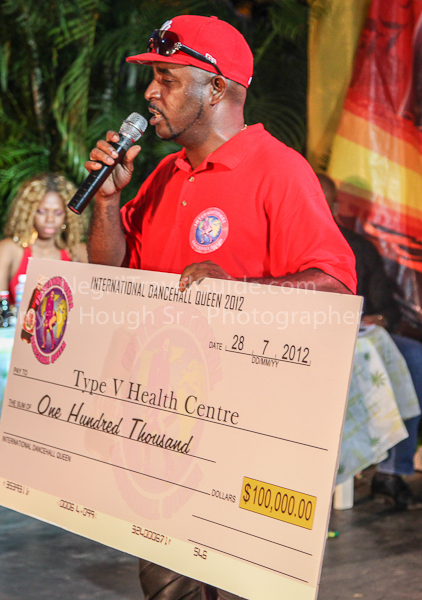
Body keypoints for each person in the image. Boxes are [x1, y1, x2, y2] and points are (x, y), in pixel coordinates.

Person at [85, 15, 357, 600]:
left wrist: (240, 293)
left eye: (167, 79)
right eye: (153, 78)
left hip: (248, 447)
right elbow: (111, 278)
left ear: (215, 88)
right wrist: (107, 202)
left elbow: (336, 288)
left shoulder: (279, 170)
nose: (150, 93)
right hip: (164, 439)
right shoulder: (164, 174)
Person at [317, 173, 422, 511]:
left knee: (414, 355)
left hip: (362, 339)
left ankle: (391, 472)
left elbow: (388, 310)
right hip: (310, 338)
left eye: (326, 203)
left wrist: (374, 319)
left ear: (336, 207)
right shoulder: (283, 244)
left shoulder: (359, 248)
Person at [0, 173, 88, 304]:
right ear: (28, 212)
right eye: (41, 211)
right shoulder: (9, 249)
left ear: (68, 216)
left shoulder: (77, 251)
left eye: (58, 213)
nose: (50, 219)